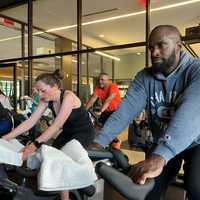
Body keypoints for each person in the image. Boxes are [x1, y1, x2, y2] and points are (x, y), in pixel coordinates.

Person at [93, 25, 200, 200]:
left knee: (197, 187)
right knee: (147, 189)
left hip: (196, 142)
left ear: (178, 47)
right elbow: (126, 110)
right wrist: (99, 142)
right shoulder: (144, 77)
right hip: (161, 140)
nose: (154, 52)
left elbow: (192, 112)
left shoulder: (196, 70)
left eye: (161, 45)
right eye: (151, 48)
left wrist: (160, 156)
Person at [2, 70, 95, 200]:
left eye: (43, 90)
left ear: (55, 87)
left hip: (83, 132)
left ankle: (71, 194)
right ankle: (50, 188)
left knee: (61, 159)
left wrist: (33, 145)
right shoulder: (46, 99)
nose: (40, 94)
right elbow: (30, 122)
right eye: (38, 91)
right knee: (48, 156)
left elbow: (56, 125)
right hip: (68, 132)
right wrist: (5, 138)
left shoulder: (68, 97)